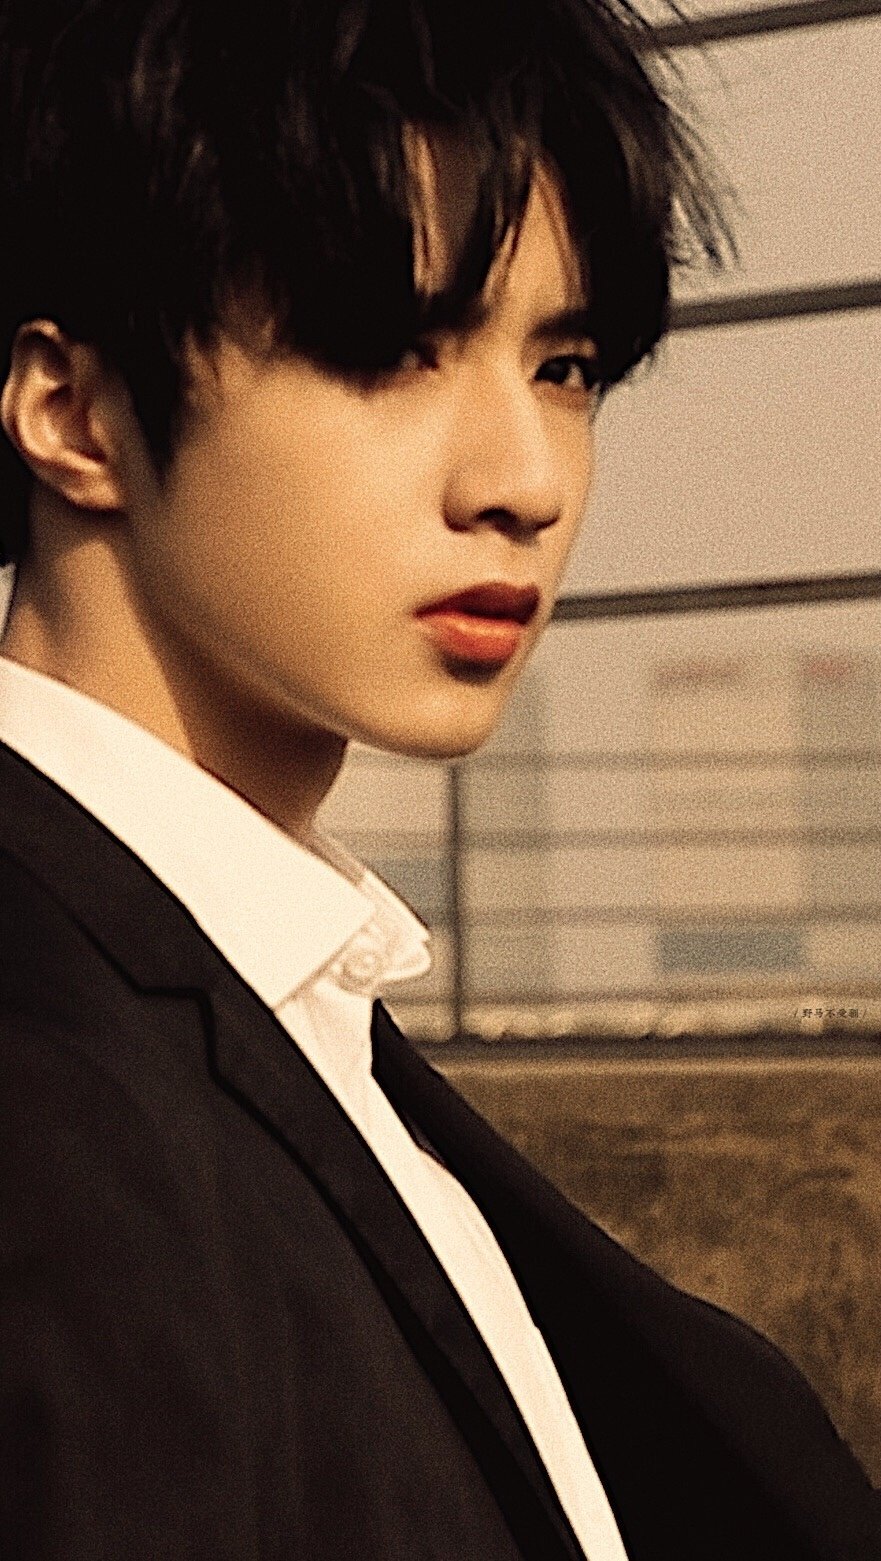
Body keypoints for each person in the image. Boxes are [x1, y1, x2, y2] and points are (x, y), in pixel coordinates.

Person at [0, 1, 877, 1556]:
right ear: (76, 411)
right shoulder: (50, 1090)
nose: (524, 481)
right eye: (390, 351)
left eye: (565, 365)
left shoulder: (275, 1006)